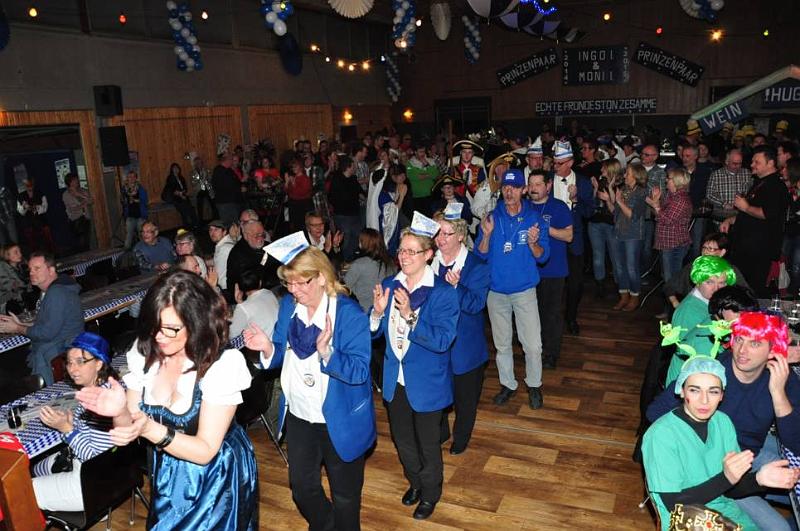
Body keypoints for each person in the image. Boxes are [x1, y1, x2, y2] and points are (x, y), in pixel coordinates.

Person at [76, 270, 258, 530]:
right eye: (154, 326)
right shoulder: (144, 354)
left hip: (217, 473)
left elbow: (205, 450)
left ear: (197, 322)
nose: (159, 337)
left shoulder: (222, 365)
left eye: (171, 329)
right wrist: (119, 411)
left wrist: (151, 429)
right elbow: (132, 426)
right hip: (169, 468)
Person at [244, 235, 376, 531]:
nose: (294, 290)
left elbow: (359, 372)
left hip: (339, 418)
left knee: (345, 497)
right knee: (302, 489)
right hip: (300, 415)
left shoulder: (348, 314)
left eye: (301, 282)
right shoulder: (288, 307)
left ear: (322, 277)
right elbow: (280, 351)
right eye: (289, 283)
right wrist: (267, 348)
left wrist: (327, 353)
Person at [648, 310, 800, 530]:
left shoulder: (780, 376)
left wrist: (778, 393)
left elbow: (795, 442)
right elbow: (655, 412)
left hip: (749, 453)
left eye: (755, 343)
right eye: (739, 339)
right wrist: (699, 447)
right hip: (718, 466)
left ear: (772, 350)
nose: (742, 350)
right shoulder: (712, 374)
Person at [370, 213, 459, 520]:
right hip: (395, 380)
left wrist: (409, 315)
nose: (404, 256)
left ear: (428, 254)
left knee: (428, 445)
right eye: (401, 250)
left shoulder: (442, 293)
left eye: (412, 251)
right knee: (403, 441)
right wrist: (377, 314)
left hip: (427, 382)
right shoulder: (389, 284)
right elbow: (374, 334)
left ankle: (431, 493)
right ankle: (416, 482)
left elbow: (443, 340)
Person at [475, 169, 550, 409]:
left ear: (523, 190)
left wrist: (533, 243)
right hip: (496, 292)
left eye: (514, 187)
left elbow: (543, 257)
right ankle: (507, 384)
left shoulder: (534, 219)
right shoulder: (490, 218)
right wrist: (486, 236)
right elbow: (480, 255)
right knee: (502, 344)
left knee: (533, 345)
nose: (509, 192)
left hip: (524, 291)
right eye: (505, 188)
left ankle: (534, 384)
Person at [31, 332, 116, 512]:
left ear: (99, 363)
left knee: (20, 490)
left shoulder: (103, 403)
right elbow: (94, 439)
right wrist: (71, 426)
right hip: (109, 471)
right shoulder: (106, 387)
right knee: (36, 468)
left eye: (80, 362)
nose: (72, 369)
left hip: (92, 482)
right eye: (69, 362)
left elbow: (93, 459)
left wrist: (68, 429)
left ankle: (95, 509)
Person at [431, 205, 490, 455]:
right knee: (438, 394)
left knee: (465, 400)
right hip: (435, 344)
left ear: (461, 236)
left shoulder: (476, 266)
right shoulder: (429, 262)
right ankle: (441, 432)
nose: (441, 239)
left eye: (447, 233)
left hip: (465, 347)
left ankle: (461, 437)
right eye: (438, 233)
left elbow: (476, 305)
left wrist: (457, 288)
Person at [0, 251, 83, 385]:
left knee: (7, 369)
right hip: (62, 349)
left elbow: (46, 333)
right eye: (30, 269)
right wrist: (20, 324)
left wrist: (17, 328)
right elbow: (49, 324)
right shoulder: (56, 289)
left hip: (58, 356)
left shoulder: (56, 293)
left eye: (37, 268)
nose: (31, 273)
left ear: (51, 270)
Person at [723, 146, 790, 297]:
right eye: (752, 161)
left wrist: (745, 207)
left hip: (759, 249)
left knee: (753, 290)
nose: (752, 165)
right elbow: (750, 213)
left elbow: (767, 213)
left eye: (757, 162)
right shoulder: (760, 182)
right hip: (746, 246)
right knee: (740, 286)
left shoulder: (775, 186)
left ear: (770, 163)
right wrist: (731, 220)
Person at [664, 255, 736, 385]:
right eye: (709, 282)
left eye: (722, 283)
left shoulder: (711, 302)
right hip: (685, 380)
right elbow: (688, 353)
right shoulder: (688, 311)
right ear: (697, 282)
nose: (717, 289)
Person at [528, 170, 572, 368]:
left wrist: (546, 227)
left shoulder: (559, 206)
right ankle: (534, 350)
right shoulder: (524, 207)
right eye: (531, 184)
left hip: (554, 270)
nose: (534, 188)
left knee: (551, 314)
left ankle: (551, 353)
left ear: (548, 186)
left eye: (538, 184)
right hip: (528, 271)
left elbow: (569, 236)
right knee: (531, 314)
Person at [599, 162, 648, 311]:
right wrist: (608, 200)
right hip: (618, 232)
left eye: (628, 173)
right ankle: (623, 296)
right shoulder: (624, 189)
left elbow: (633, 216)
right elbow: (615, 212)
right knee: (619, 267)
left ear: (636, 176)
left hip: (633, 234)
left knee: (631, 268)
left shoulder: (641, 192)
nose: (625, 175)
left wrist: (619, 201)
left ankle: (634, 297)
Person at [647, 167, 694, 318]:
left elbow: (666, 219)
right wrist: (656, 202)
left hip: (675, 244)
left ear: (677, 181)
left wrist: (655, 205)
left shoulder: (681, 199)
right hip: (667, 242)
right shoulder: (671, 195)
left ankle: (675, 314)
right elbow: (658, 216)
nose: (666, 180)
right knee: (668, 278)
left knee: (672, 280)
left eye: (669, 178)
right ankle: (670, 312)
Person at [589, 159, 624, 298]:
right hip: (595, 223)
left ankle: (620, 288)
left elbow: (615, 211)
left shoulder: (621, 186)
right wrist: (595, 189)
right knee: (598, 257)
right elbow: (592, 204)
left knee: (616, 257)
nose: (601, 170)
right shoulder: (600, 181)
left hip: (611, 225)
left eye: (603, 167)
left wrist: (608, 195)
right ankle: (600, 286)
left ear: (610, 169)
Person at [344, 228, 397, 313]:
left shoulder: (360, 264)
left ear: (363, 243)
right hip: (384, 310)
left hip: (362, 311)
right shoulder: (390, 264)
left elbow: (344, 288)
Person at [328, 156, 364, 261]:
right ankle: (344, 260)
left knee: (356, 237)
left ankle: (352, 259)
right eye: (353, 165)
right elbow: (331, 198)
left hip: (355, 214)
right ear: (348, 167)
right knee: (345, 239)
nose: (355, 167)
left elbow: (360, 192)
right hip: (342, 216)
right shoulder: (337, 180)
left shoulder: (353, 179)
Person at [229, 267, 279, 338]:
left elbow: (232, 334)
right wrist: (240, 302)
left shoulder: (243, 308)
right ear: (260, 283)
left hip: (260, 343)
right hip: (276, 337)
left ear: (240, 288)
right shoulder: (269, 293)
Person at [378, 164, 412, 255]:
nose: (403, 176)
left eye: (404, 173)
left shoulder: (404, 185)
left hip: (405, 217)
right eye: (400, 174)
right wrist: (401, 195)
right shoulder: (387, 191)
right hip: (394, 222)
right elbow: (392, 211)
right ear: (393, 177)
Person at [17, 177, 54, 253]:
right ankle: (34, 253)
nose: (29, 187)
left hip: (40, 218)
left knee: (47, 233)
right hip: (28, 220)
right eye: (27, 186)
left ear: (33, 185)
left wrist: (37, 207)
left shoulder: (40, 193)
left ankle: (52, 251)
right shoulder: (21, 196)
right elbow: (20, 211)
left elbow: (45, 207)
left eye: (31, 185)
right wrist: (24, 207)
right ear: (25, 186)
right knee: (29, 235)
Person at [62, 173, 92, 252]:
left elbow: (91, 200)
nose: (77, 181)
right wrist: (84, 203)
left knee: (87, 242)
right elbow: (73, 209)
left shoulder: (82, 190)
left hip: (86, 218)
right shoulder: (66, 194)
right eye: (75, 180)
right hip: (76, 220)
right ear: (70, 182)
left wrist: (79, 195)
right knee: (80, 243)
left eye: (77, 179)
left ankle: (88, 257)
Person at [212, 153, 244, 226]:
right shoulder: (219, 171)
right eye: (231, 159)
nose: (232, 162)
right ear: (226, 160)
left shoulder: (229, 170)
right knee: (228, 224)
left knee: (234, 224)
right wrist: (239, 189)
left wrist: (241, 185)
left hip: (231, 202)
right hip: (224, 203)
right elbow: (224, 186)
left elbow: (236, 182)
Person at [163, 162, 198, 229]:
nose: (176, 170)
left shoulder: (181, 177)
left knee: (191, 209)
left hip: (183, 196)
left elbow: (185, 188)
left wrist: (184, 193)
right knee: (184, 210)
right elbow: (171, 190)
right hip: (175, 198)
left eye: (177, 168)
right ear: (172, 170)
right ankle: (187, 226)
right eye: (174, 168)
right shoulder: (170, 178)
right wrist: (180, 194)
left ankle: (195, 224)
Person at [121, 170, 148, 250]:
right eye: (130, 177)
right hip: (130, 215)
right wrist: (125, 201)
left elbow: (145, 201)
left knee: (141, 234)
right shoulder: (124, 189)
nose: (131, 178)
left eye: (133, 177)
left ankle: (145, 250)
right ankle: (126, 251)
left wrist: (135, 200)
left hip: (140, 215)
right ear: (127, 178)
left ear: (136, 178)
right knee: (129, 234)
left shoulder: (140, 188)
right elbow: (122, 201)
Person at [0, 243, 30, 314]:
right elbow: (10, 287)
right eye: (16, 252)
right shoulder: (2, 267)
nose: (20, 254)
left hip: (20, 299)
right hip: (6, 302)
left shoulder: (21, 266)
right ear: (7, 255)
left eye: (20, 251)